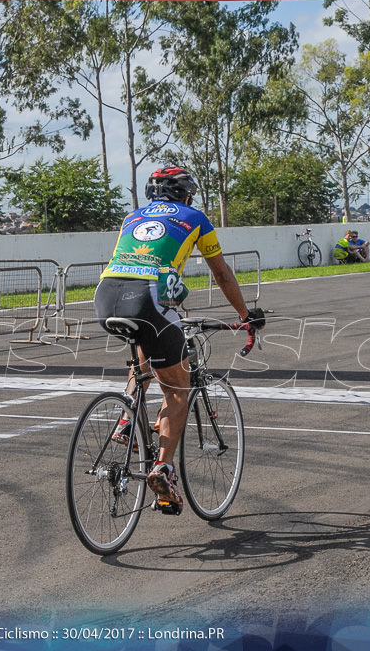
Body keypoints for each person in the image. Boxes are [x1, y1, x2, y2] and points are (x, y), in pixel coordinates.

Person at [94, 166, 266, 511]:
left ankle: (128, 417)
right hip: (149, 296)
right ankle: (164, 468)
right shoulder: (194, 217)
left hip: (106, 293)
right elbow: (220, 272)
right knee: (176, 388)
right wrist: (246, 316)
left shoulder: (132, 217)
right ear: (186, 194)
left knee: (144, 351)